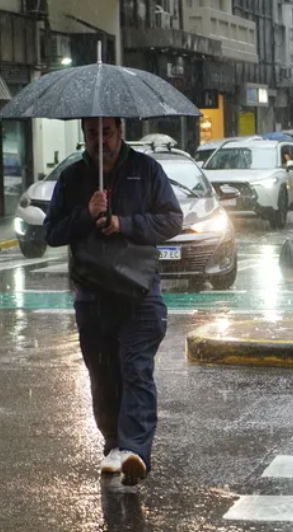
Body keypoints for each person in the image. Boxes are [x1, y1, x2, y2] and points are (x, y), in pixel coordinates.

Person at [44, 117, 184, 486]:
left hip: (139, 290)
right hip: (92, 294)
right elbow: (53, 233)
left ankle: (135, 450)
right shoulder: (73, 178)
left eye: (107, 132)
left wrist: (124, 223)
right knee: (103, 375)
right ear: (84, 135)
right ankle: (114, 446)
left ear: (120, 132)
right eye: (92, 133)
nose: (100, 140)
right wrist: (85, 215)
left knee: (136, 369)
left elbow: (171, 221)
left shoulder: (146, 170)